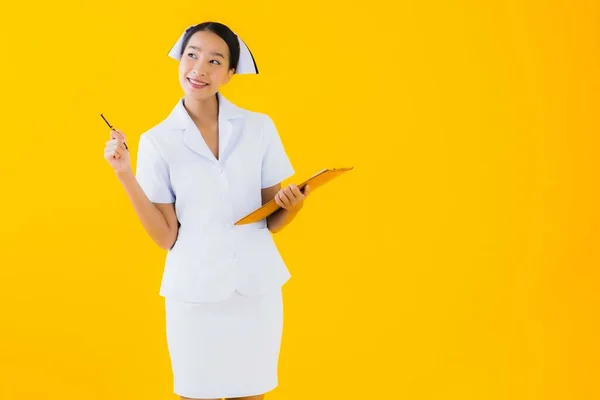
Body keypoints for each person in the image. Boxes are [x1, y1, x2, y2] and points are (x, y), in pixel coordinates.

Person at [103, 21, 309, 400]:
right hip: (194, 294)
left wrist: (292, 206)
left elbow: (272, 221)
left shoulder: (259, 128)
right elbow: (166, 236)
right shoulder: (157, 141)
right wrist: (124, 174)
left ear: (231, 73)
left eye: (215, 61)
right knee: (197, 392)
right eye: (192, 55)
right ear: (180, 60)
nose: (199, 69)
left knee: (253, 393)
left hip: (255, 290)